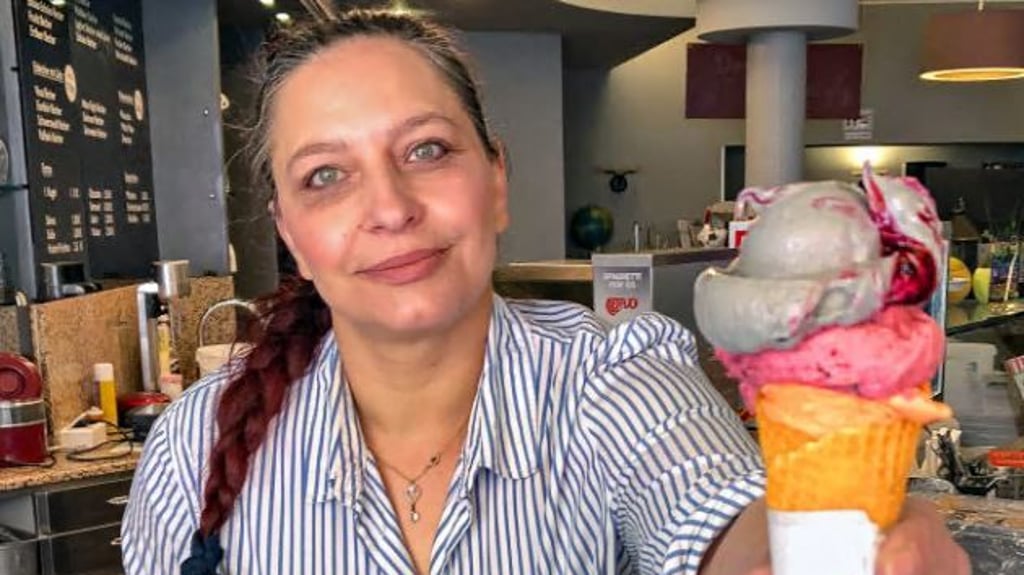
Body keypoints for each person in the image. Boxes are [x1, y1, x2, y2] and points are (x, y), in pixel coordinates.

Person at [121, 9, 970, 575]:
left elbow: (714, 515)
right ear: (291, 234)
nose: (389, 207)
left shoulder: (615, 375)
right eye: (326, 175)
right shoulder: (191, 450)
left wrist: (819, 550)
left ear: (497, 182)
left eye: (425, 150)